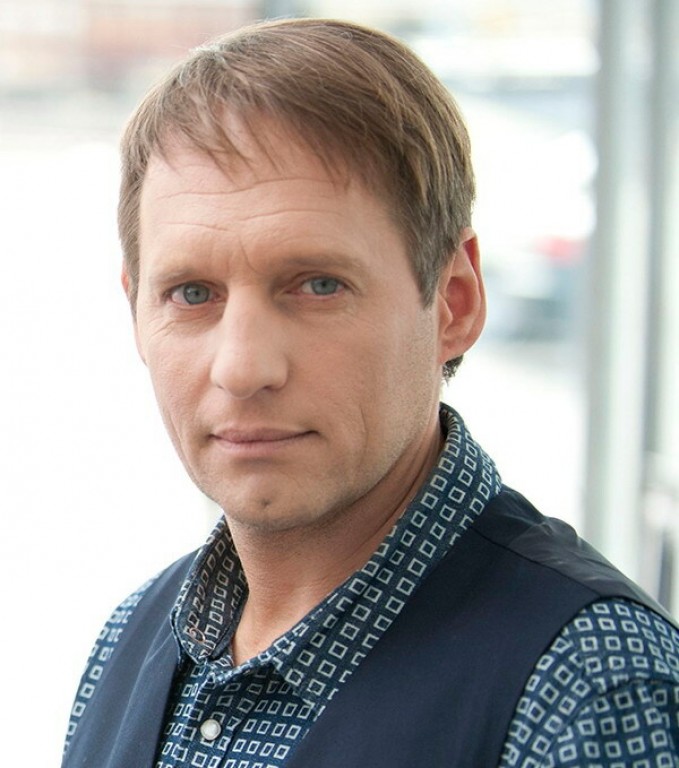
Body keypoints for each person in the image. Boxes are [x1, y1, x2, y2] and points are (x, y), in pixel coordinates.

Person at [62, 17, 679, 768]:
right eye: (192, 293)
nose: (242, 368)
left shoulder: (588, 689)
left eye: (317, 285)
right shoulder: (129, 641)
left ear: (452, 303)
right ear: (136, 312)